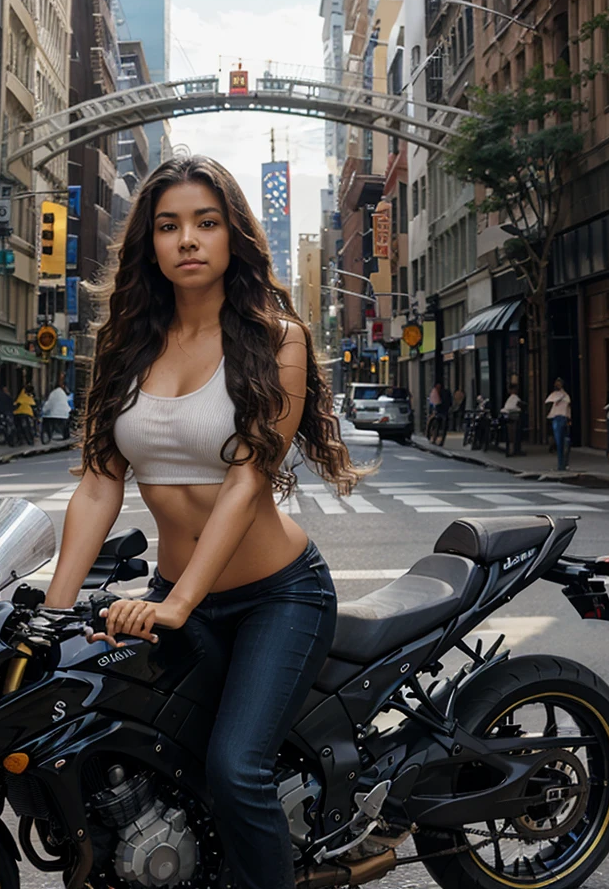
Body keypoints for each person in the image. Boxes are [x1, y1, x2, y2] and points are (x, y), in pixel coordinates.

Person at [43, 155, 368, 889]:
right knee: (146, 753)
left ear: (232, 237)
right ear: (149, 245)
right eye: (168, 225)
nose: (187, 239)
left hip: (276, 598)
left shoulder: (275, 337)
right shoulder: (124, 347)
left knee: (233, 770)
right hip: (175, 596)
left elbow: (249, 481)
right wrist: (54, 615)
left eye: (205, 222)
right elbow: (99, 485)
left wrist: (177, 603)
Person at [545, 377, 572, 470]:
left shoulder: (563, 396)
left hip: (560, 419)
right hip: (558, 418)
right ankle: (562, 464)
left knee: (561, 443)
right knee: (561, 443)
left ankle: (562, 464)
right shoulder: (560, 396)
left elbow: (567, 408)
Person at [42, 376, 71, 440]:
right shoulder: (63, 393)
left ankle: (50, 435)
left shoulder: (53, 393)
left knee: (49, 421)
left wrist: (44, 410)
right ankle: (65, 436)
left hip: (55, 414)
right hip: (65, 414)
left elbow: (49, 403)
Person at [501, 381, 525, 457]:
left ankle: (511, 450)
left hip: (509, 418)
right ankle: (513, 450)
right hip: (514, 418)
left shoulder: (511, 399)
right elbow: (512, 407)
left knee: (511, 436)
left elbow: (506, 408)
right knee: (513, 435)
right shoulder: (514, 398)